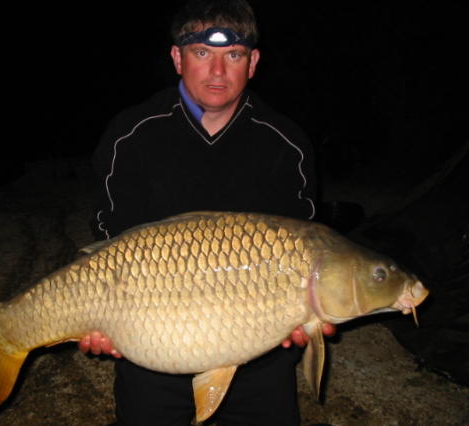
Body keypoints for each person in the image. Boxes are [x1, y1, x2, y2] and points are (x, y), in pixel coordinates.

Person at [80, 1, 335, 424]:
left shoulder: (286, 144)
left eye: (233, 56)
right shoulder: (130, 135)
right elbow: (112, 244)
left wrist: (303, 315)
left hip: (259, 350)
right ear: (177, 58)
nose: (218, 72)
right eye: (202, 53)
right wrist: (101, 322)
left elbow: (301, 254)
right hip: (151, 345)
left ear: (252, 63)